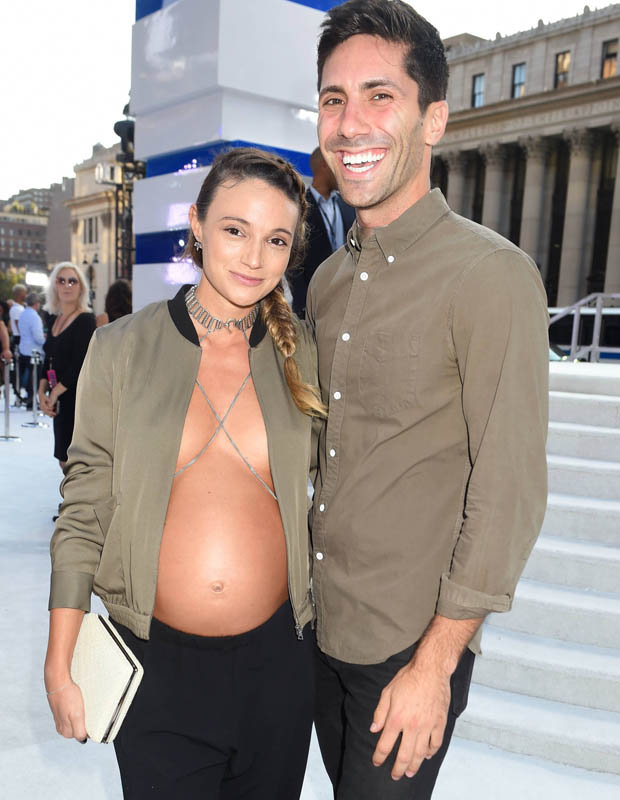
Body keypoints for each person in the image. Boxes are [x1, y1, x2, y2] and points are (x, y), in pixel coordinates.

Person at [306, 2, 549, 798]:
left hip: (407, 653)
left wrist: (437, 663)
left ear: (434, 119)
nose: (350, 124)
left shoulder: (490, 274)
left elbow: (508, 489)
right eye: (334, 99)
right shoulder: (328, 280)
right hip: (319, 631)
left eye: (380, 96)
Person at [44, 148, 324, 800]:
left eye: (276, 239)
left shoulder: (303, 354)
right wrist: (60, 662)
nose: (254, 257)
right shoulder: (120, 350)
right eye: (235, 230)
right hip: (154, 671)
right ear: (197, 225)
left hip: (278, 669)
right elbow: (83, 510)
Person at [38, 263, 96, 467]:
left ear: (81, 287)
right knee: (63, 458)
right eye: (61, 280)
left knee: (73, 460)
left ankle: (76, 499)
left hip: (78, 400)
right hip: (60, 400)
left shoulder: (86, 320)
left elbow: (80, 364)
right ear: (54, 286)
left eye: (73, 280)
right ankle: (71, 499)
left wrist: (54, 394)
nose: (67, 285)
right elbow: (48, 359)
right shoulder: (54, 318)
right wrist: (41, 392)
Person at [289, 147, 354, 317]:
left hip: (349, 302)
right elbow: (295, 263)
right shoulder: (298, 208)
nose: (343, 171)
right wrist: (303, 306)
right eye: (338, 165)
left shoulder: (350, 206)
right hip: (314, 305)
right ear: (324, 165)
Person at [18, 292, 45, 409]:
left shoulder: (23, 314)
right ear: (37, 304)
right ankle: (32, 401)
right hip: (34, 351)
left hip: (23, 349)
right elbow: (38, 337)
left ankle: (30, 399)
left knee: (29, 377)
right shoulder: (35, 317)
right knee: (34, 378)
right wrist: (46, 341)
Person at [9, 284, 26, 401]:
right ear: (19, 294)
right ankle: (18, 394)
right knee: (20, 368)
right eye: (24, 292)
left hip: (19, 339)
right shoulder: (16, 309)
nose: (25, 295)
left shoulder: (19, 308)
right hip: (19, 339)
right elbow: (17, 324)